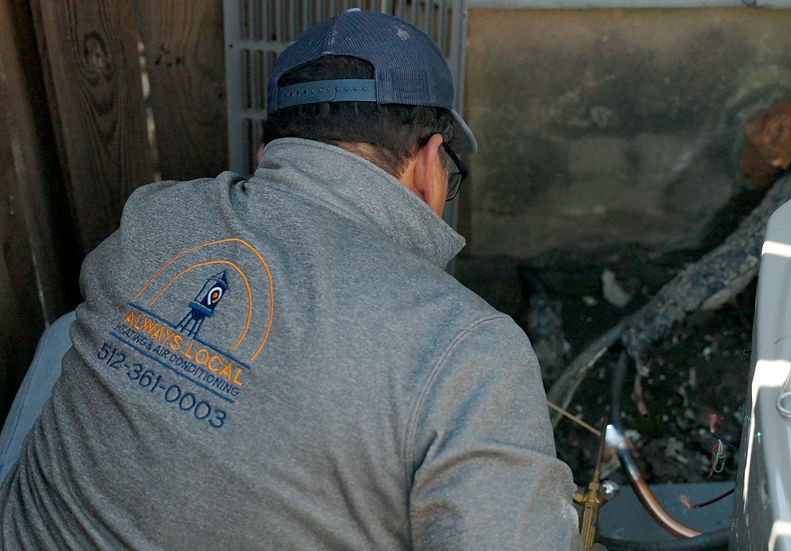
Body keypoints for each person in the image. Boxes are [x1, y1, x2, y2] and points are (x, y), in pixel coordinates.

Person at [0, 9, 582, 550]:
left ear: (267, 153)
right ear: (431, 164)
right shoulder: (468, 350)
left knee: (65, 334)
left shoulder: (151, 216)